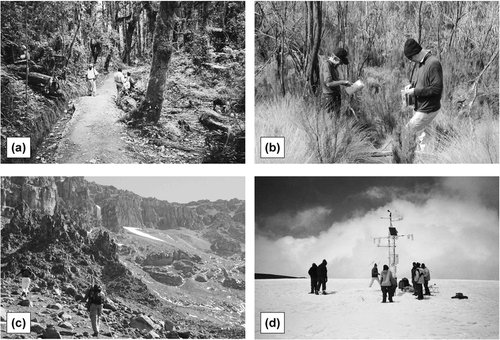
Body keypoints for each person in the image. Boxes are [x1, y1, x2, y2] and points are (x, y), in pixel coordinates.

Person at [403, 38, 443, 151]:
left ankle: (405, 158)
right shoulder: (421, 63)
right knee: (423, 141)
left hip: (427, 109)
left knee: (407, 132)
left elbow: (436, 89)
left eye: (410, 58)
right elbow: (422, 80)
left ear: (415, 53)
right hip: (421, 107)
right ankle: (422, 159)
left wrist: (415, 92)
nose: (411, 61)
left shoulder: (433, 64)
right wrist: (412, 86)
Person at [320, 47, 352, 114]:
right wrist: (343, 82)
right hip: (329, 97)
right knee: (328, 121)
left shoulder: (334, 67)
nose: (341, 64)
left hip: (336, 96)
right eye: (340, 62)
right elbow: (329, 83)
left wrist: (347, 83)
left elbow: (336, 80)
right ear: (334, 57)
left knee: (336, 120)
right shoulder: (326, 65)